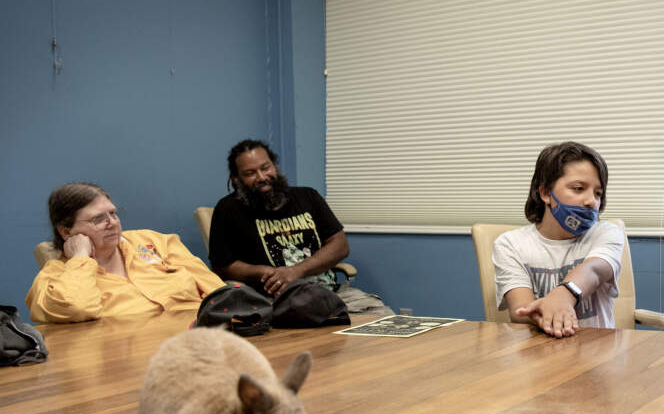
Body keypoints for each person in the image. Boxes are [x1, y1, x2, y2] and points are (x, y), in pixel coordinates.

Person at [209, 139, 392, 315]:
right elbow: (223, 266)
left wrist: (296, 271)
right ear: (236, 179)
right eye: (250, 173)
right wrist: (267, 273)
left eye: (266, 168)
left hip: (330, 294)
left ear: (274, 165)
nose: (262, 177)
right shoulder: (228, 209)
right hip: (272, 300)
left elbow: (340, 245)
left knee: (382, 316)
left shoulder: (308, 197)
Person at [26, 182, 225, 323]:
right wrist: (80, 259)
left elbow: (217, 292)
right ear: (66, 231)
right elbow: (76, 307)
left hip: (198, 338)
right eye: (98, 219)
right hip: (125, 356)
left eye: (112, 213)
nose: (112, 223)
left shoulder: (155, 241)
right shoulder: (53, 277)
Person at [492, 142, 624, 338]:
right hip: (536, 357)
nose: (591, 201)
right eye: (579, 188)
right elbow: (520, 309)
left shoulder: (606, 233)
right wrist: (547, 313)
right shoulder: (510, 244)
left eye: (598, 193)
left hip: (599, 356)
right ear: (545, 193)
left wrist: (564, 294)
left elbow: (594, 270)